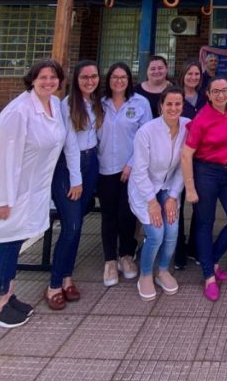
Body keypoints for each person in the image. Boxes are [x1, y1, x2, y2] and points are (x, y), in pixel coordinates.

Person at [0, 59, 66, 328]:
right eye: (43, 77)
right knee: (7, 244)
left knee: (16, 240)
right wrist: (2, 200)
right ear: (32, 80)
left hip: (33, 189)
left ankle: (9, 295)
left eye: (53, 77)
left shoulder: (55, 105)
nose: (48, 82)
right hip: (12, 191)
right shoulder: (18, 112)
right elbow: (0, 158)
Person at [181, 76, 227, 302]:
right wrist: (190, 187)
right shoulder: (202, 118)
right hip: (206, 172)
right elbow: (186, 154)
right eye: (216, 92)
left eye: (224, 90)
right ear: (208, 95)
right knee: (205, 222)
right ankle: (209, 275)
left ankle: (212, 258)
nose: (221, 95)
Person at [46, 60, 101, 310]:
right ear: (76, 80)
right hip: (69, 168)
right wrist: (76, 179)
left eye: (93, 76)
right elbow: (69, 145)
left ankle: (67, 277)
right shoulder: (68, 105)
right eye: (84, 77)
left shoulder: (95, 102)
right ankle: (54, 285)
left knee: (77, 226)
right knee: (72, 226)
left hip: (91, 164)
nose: (90, 81)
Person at [129, 87, 188, 301]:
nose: (173, 108)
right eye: (169, 104)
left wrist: (173, 196)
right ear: (160, 106)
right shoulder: (147, 131)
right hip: (145, 188)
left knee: (172, 230)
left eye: (178, 104)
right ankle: (145, 274)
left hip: (170, 186)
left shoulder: (187, 127)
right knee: (156, 234)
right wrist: (151, 201)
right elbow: (139, 170)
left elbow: (183, 165)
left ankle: (162, 271)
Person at [97, 62, 152, 287]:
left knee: (127, 215)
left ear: (129, 80)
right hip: (104, 168)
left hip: (130, 170)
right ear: (108, 80)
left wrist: (131, 164)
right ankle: (110, 260)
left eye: (123, 77)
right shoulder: (99, 103)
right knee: (108, 215)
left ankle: (126, 255)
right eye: (114, 77)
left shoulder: (140, 103)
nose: (119, 81)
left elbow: (146, 137)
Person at [173, 59, 205, 270]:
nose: (193, 77)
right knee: (177, 203)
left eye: (197, 74)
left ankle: (195, 246)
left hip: (200, 159)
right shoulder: (174, 97)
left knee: (199, 206)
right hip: (177, 159)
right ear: (183, 75)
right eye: (190, 73)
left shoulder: (205, 98)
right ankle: (178, 248)